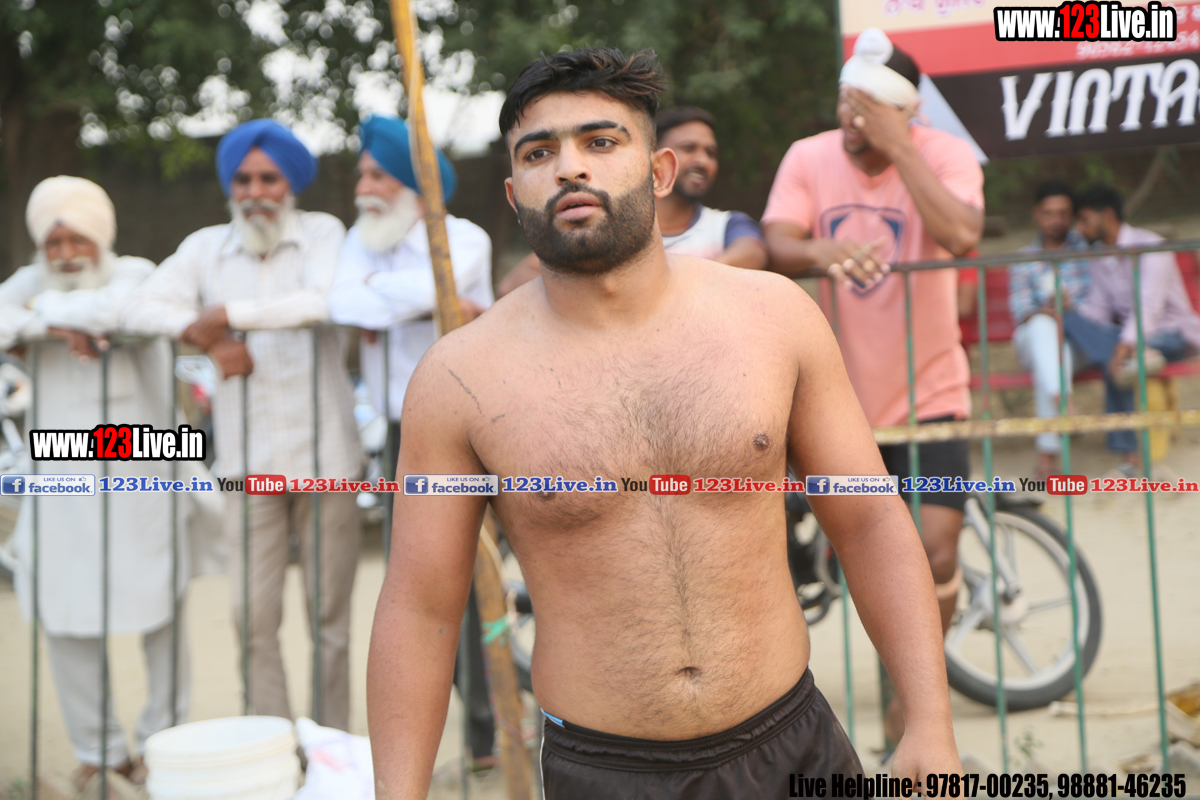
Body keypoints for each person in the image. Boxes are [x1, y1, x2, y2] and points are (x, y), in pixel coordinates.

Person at [367, 47, 960, 800]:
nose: (570, 168)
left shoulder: (773, 318)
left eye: (600, 141)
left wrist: (929, 723)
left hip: (792, 746)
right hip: (604, 772)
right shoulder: (459, 378)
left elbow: (870, 521)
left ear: (659, 171)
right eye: (539, 152)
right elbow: (420, 605)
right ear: (515, 194)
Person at [760, 27, 983, 743]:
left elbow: (962, 234)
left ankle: (913, 715)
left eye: (870, 107)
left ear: (907, 110)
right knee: (863, 558)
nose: (852, 118)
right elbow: (776, 241)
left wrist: (902, 147)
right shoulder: (809, 156)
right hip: (838, 403)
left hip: (932, 395)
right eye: (845, 102)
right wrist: (820, 249)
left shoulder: (941, 153)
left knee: (936, 551)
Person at [122, 120, 365, 730]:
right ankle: (273, 746)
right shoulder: (205, 247)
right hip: (246, 464)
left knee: (329, 621)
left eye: (268, 179)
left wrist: (230, 314)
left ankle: (329, 750)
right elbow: (140, 305)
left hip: (328, 459)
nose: (255, 192)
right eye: (243, 179)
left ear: (291, 184)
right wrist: (208, 336)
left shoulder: (323, 233)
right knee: (250, 618)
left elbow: (322, 300)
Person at [0, 177, 213, 790]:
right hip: (61, 480)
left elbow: (118, 310)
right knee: (64, 610)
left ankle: (163, 743)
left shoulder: (137, 273)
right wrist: (57, 323)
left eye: (78, 239)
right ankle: (101, 751)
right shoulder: (31, 283)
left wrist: (40, 321)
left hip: (144, 472)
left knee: (161, 609)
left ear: (101, 237)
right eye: (54, 241)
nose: (66, 253)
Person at [327, 116, 497, 766]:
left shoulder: (464, 238)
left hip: (472, 422)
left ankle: (494, 728)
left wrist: (391, 297)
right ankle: (483, 725)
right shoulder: (360, 240)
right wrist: (400, 299)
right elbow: (343, 303)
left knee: (481, 576)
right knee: (427, 583)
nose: (362, 188)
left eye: (377, 176)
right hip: (403, 429)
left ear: (411, 184)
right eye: (363, 175)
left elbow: (433, 289)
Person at [496, 106, 767, 295]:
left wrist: (650, 289)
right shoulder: (606, 226)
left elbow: (753, 254)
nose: (702, 161)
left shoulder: (727, 224)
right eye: (689, 148)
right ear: (655, 165)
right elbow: (512, 284)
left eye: (711, 153)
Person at [1063, 184, 1200, 475]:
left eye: (1084, 220)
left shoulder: (1151, 246)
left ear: (1107, 215)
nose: (1079, 229)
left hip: (1171, 334)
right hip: (1130, 341)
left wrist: (1123, 346)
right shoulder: (1100, 256)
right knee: (1072, 320)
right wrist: (1070, 309)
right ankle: (1135, 356)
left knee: (1115, 357)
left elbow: (1148, 307)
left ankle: (1130, 458)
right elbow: (1099, 310)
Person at [1008, 181, 1091, 481]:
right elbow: (1021, 313)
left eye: (1063, 213)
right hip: (1033, 339)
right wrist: (1049, 312)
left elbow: (1101, 305)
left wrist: (1072, 309)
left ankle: (1047, 460)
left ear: (1072, 215)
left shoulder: (1087, 251)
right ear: (1036, 214)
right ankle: (1063, 402)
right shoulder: (1023, 258)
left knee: (1054, 362)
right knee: (1044, 330)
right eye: (1049, 213)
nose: (1056, 220)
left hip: (1078, 342)